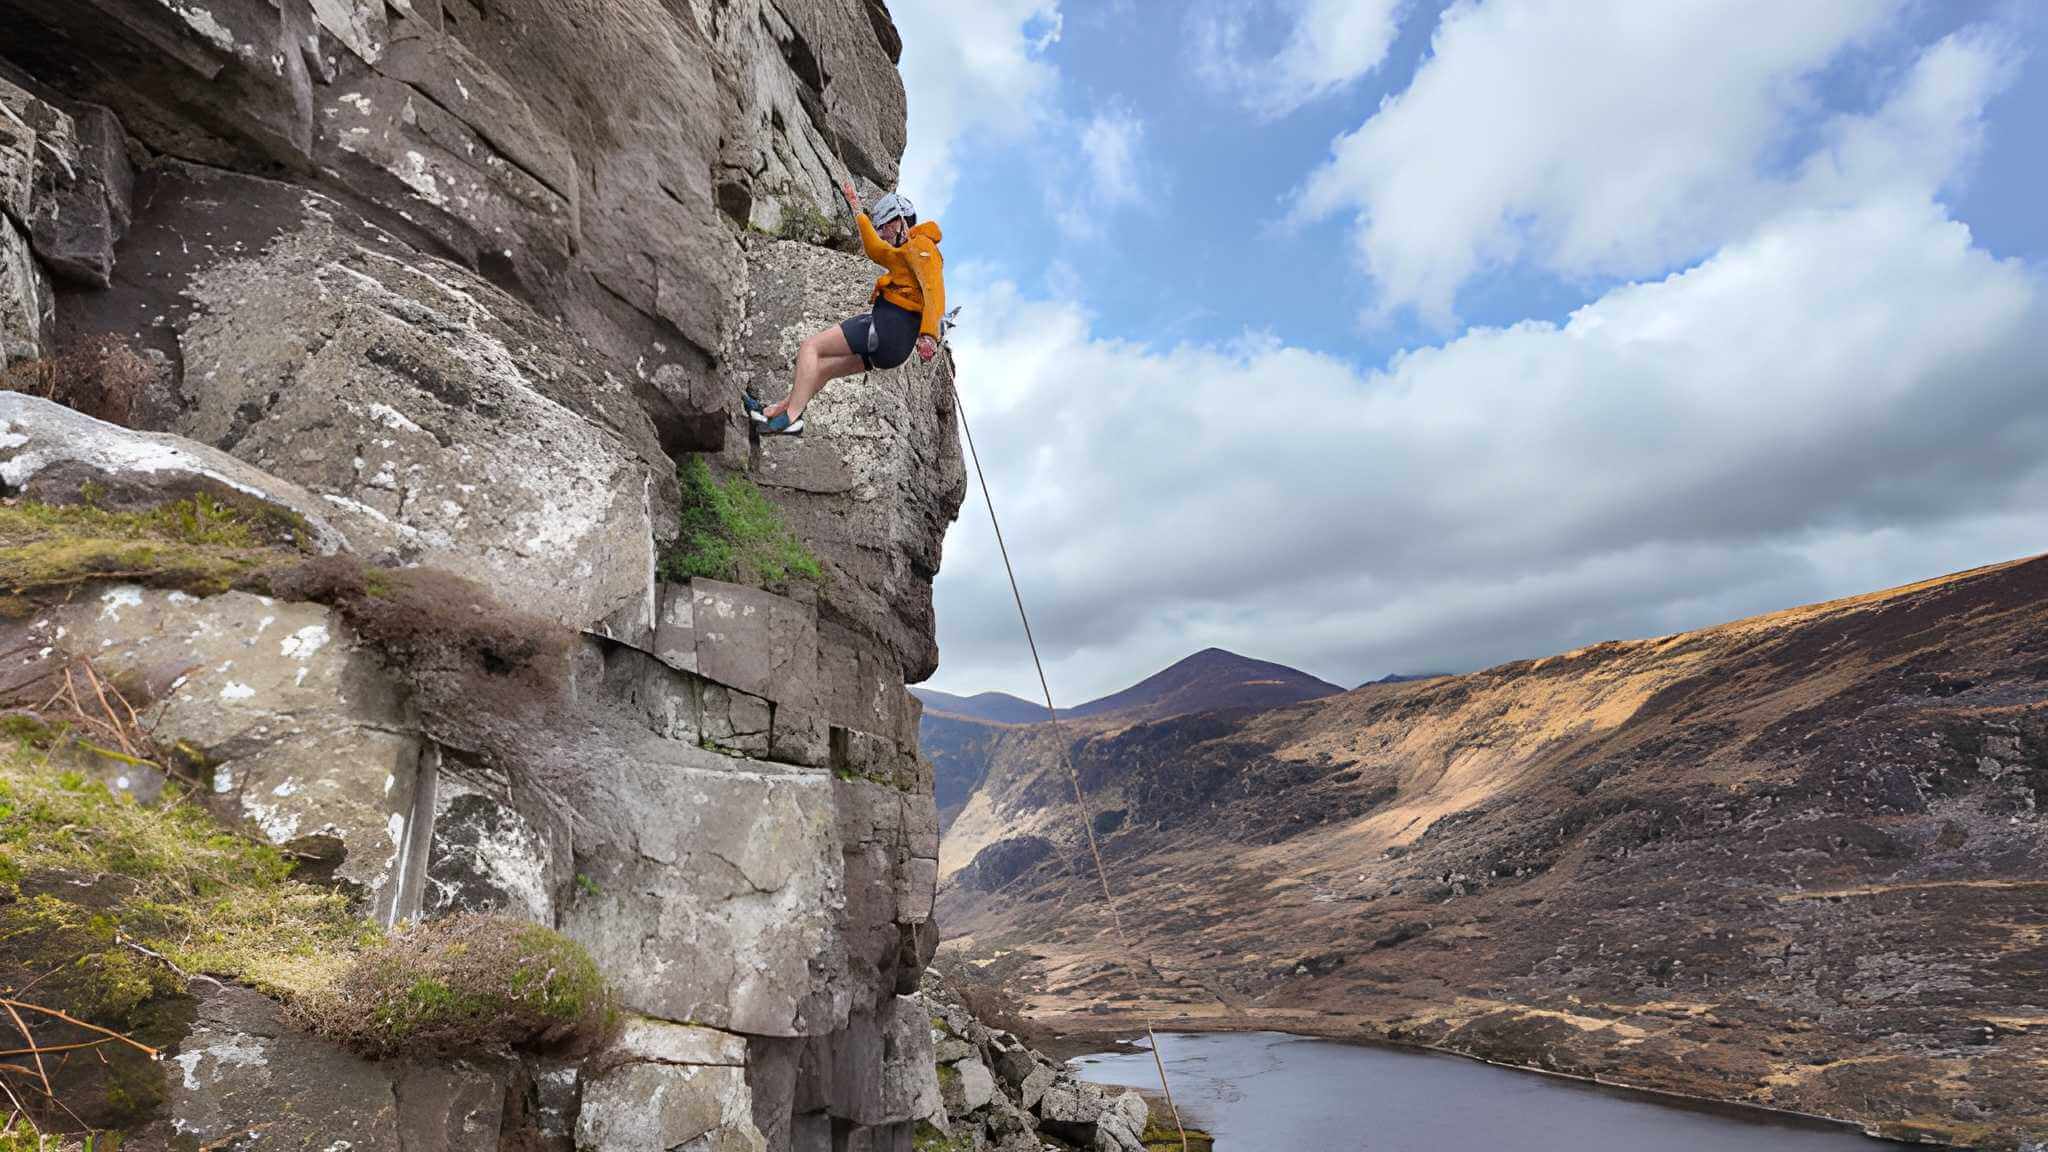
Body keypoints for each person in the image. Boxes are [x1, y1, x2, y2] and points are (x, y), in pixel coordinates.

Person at [749, 181, 944, 436]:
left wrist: (930, 334)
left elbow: (933, 290)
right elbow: (876, 249)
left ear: (898, 222)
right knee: (822, 369)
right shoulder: (904, 252)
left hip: (888, 329)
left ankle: (792, 418)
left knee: (811, 347)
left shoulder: (922, 246)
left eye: (884, 227)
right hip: (892, 349)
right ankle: (776, 412)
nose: (882, 233)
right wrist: (855, 206)